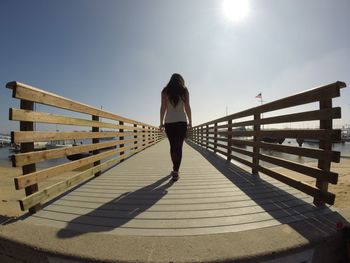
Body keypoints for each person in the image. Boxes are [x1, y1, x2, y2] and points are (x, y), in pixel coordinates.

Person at [160, 73, 192, 181]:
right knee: (179, 147)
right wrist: (190, 121)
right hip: (181, 122)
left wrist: (161, 122)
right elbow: (187, 107)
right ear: (180, 80)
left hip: (169, 122)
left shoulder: (165, 91)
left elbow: (163, 108)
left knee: (173, 146)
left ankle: (175, 170)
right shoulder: (184, 90)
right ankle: (176, 171)